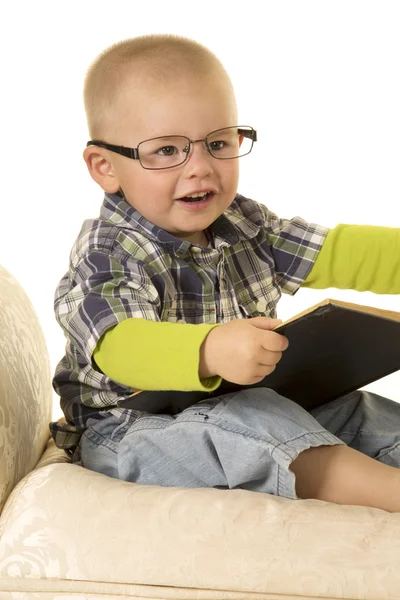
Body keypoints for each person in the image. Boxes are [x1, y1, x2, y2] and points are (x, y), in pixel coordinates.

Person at [50, 33, 400, 511]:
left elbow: (339, 251)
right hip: (132, 430)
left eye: (218, 143)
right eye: (168, 150)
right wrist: (209, 349)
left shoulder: (245, 224)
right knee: (256, 426)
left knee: (359, 411)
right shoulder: (108, 250)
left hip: (257, 402)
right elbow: (118, 345)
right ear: (105, 167)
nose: (201, 168)